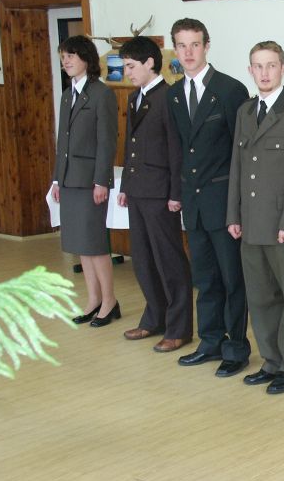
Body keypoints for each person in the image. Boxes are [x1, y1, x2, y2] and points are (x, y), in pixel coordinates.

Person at [226, 41, 284, 395]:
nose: (264, 73)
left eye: (271, 65)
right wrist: (233, 214)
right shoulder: (245, 111)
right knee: (261, 297)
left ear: (283, 68)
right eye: (258, 66)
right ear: (250, 70)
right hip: (252, 221)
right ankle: (271, 361)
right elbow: (237, 167)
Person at [166, 18, 251, 377]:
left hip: (224, 202)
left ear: (206, 46)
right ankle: (211, 341)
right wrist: (177, 194)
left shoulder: (229, 90)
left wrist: (239, 207)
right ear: (175, 48)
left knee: (233, 279)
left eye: (195, 44)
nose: (188, 52)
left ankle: (236, 348)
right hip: (194, 203)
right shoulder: (173, 94)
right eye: (182, 45)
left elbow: (242, 152)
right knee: (204, 278)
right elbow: (177, 150)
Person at [117, 36, 193, 353]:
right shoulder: (135, 97)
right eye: (125, 67)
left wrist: (176, 193)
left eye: (131, 66)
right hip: (138, 189)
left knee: (169, 260)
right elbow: (130, 145)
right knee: (144, 259)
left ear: (150, 62)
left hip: (161, 192)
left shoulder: (169, 97)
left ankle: (179, 328)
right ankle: (154, 318)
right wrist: (125, 186)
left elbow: (177, 150)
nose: (127, 73)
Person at [51, 35, 118, 327]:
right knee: (81, 245)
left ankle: (110, 301)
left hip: (90, 181)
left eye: (71, 56)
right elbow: (62, 141)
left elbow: (106, 142)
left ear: (87, 59)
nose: (66, 61)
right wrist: (56, 180)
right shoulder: (68, 94)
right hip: (69, 179)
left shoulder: (102, 94)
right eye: (63, 56)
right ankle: (94, 300)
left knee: (95, 244)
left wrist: (101, 181)